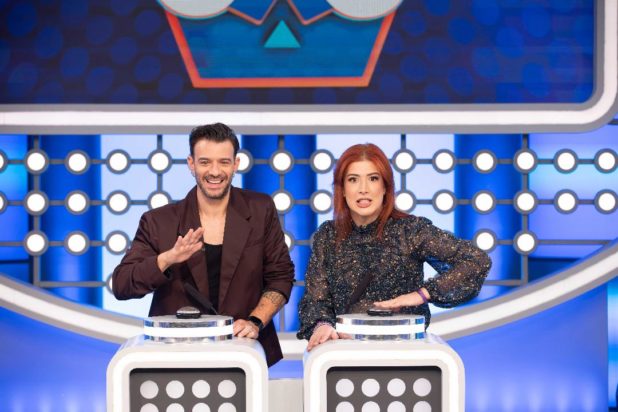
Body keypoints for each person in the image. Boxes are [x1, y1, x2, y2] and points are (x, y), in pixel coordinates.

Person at [112, 123, 295, 366]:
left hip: (244, 355)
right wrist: (167, 259)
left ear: (236, 164)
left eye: (224, 162)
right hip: (175, 358)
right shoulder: (159, 221)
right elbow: (122, 285)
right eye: (205, 162)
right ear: (191, 164)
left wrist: (255, 321)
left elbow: (281, 276)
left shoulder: (260, 209)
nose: (215, 172)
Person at [297, 143, 491, 350]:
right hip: (345, 351)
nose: (363, 189)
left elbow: (477, 260)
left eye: (373, 179)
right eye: (353, 179)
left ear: (385, 187)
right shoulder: (328, 235)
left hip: (406, 349)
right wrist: (322, 325)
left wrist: (422, 294)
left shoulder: (410, 230)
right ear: (342, 190)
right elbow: (315, 299)